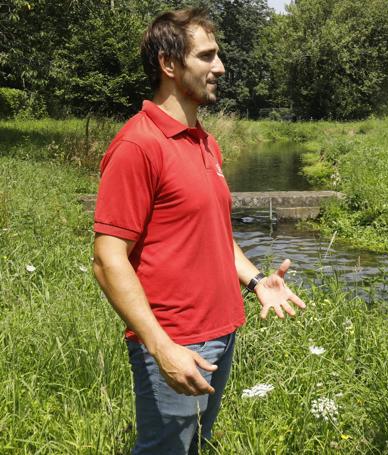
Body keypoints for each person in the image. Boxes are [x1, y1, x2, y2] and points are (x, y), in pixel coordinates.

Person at [92, 8, 306, 454]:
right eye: (207, 56)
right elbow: (108, 259)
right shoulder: (138, 145)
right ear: (169, 65)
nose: (220, 67)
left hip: (221, 333)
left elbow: (215, 235)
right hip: (175, 339)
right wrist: (161, 347)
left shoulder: (206, 141)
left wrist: (254, 281)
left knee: (195, 447)